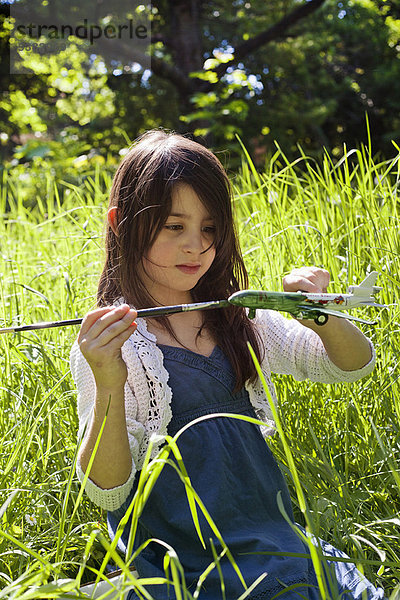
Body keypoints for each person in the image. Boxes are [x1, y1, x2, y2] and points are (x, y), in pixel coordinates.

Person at [70, 130, 385, 600]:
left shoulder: (236, 317)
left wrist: (325, 314)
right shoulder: (112, 346)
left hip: (267, 536)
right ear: (121, 223)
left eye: (211, 228)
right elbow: (107, 490)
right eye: (174, 226)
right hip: (180, 557)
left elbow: (349, 365)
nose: (197, 245)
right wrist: (110, 381)